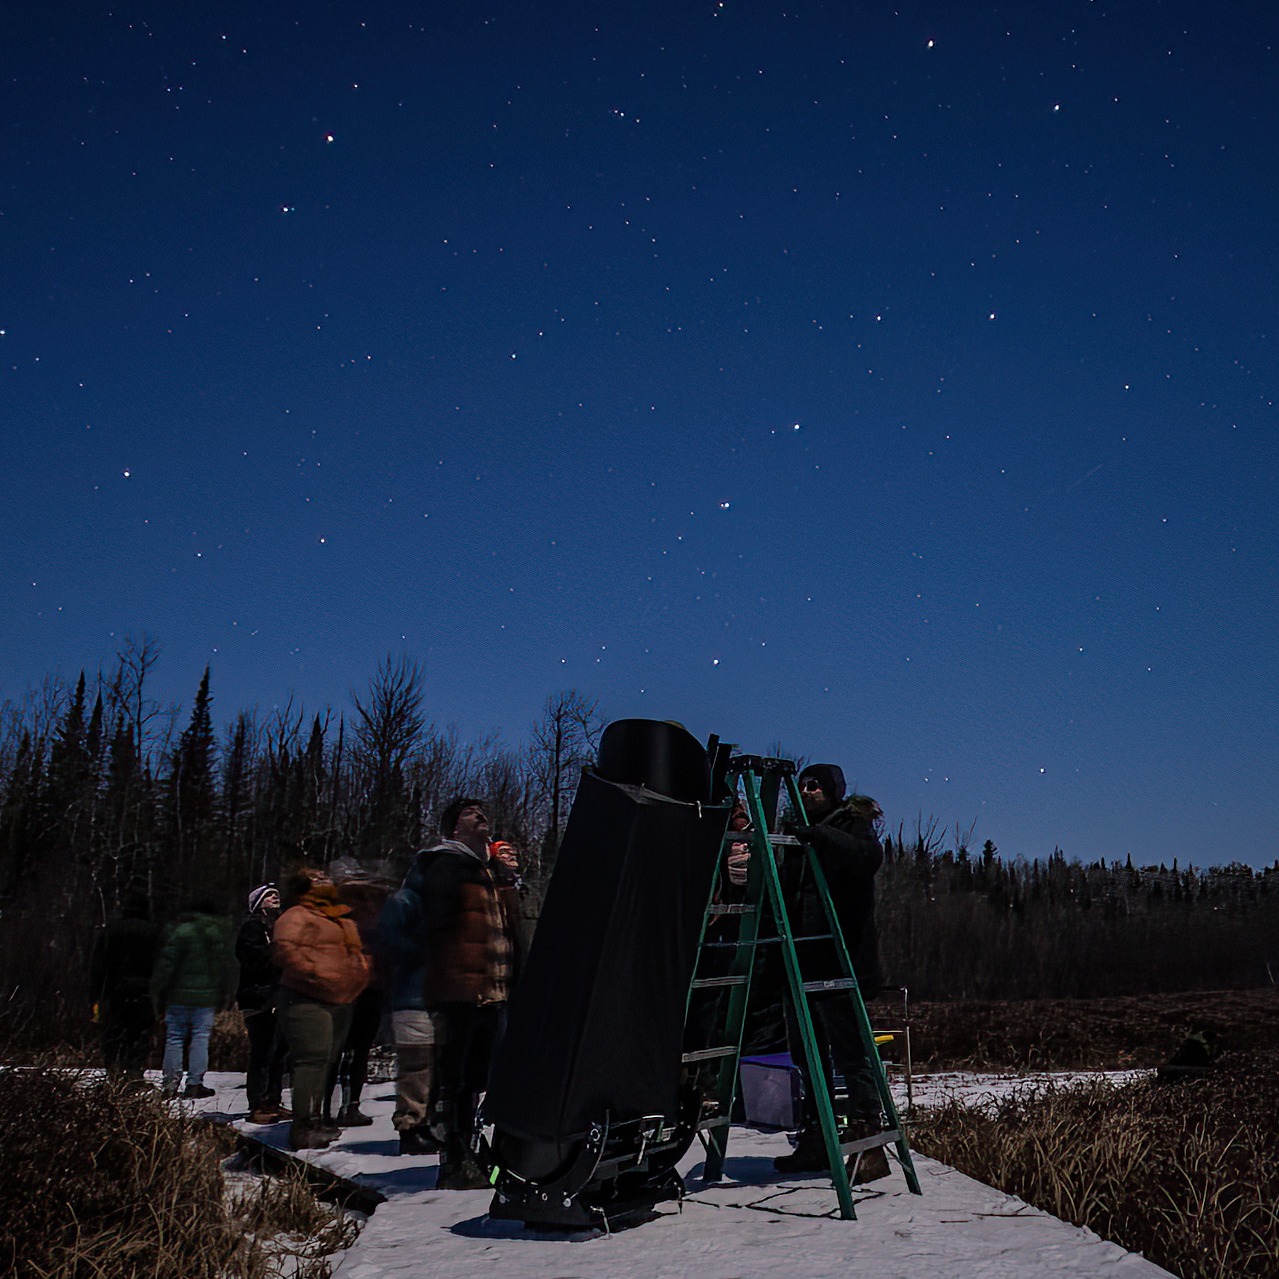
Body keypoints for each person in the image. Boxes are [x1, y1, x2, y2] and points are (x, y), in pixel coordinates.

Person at [773, 763, 890, 1183]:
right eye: (803, 785)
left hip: (841, 961)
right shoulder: (797, 834)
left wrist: (819, 836)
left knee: (850, 1054)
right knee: (807, 1055)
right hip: (801, 959)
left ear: (834, 790)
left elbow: (867, 858)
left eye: (816, 785)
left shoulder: (851, 824)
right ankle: (817, 1136)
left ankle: (868, 1142)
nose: (809, 791)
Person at [417, 797, 514, 1188]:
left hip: (492, 991)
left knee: (476, 1080)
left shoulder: (485, 871)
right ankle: (454, 1162)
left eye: (484, 812)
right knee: (454, 1080)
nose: (483, 817)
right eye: (472, 814)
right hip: (458, 992)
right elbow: (429, 928)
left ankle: (471, 1152)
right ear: (454, 827)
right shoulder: (443, 866)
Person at [273, 866, 370, 1150]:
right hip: (306, 997)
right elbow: (285, 950)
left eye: (324, 877)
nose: (323, 880)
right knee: (311, 1061)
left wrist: (360, 973)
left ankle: (317, 1119)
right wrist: (317, 974)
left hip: (341, 999)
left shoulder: (338, 917)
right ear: (302, 886)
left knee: (326, 1061)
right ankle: (303, 1126)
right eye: (315, 878)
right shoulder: (297, 915)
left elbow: (353, 953)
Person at [378, 853, 442, 1155]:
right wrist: (426, 950)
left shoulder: (442, 905)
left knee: (436, 1068)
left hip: (439, 998)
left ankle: (427, 1124)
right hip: (411, 996)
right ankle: (410, 1127)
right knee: (416, 1066)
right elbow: (387, 941)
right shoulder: (405, 900)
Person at [322, 860, 389, 1129]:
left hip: (366, 987)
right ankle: (333, 1109)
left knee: (353, 1050)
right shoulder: (337, 910)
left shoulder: (371, 910)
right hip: (350, 987)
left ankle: (344, 1108)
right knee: (343, 1051)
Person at [150, 893, 234, 1099]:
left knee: (174, 1038)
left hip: (178, 996)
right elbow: (226, 966)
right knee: (200, 1038)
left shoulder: (181, 931)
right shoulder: (218, 933)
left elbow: (167, 964)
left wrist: (158, 990)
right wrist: (227, 991)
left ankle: (170, 1085)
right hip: (206, 998)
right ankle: (195, 1083)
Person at [89, 883, 159, 1081]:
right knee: (139, 1034)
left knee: (114, 1033)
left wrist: (95, 994)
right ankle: (135, 1073)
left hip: (115, 990)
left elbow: (97, 965)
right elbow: (161, 964)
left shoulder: (110, 930)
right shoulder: (153, 932)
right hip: (144, 990)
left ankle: (113, 1073)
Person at [236, 883, 290, 1124]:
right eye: (269, 895)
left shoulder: (280, 926)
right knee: (262, 1053)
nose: (275, 897)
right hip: (258, 998)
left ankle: (273, 1100)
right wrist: (277, 949)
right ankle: (257, 1103)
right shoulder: (252, 928)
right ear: (258, 903)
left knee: (279, 1053)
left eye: (276, 894)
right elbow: (251, 959)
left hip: (279, 996)